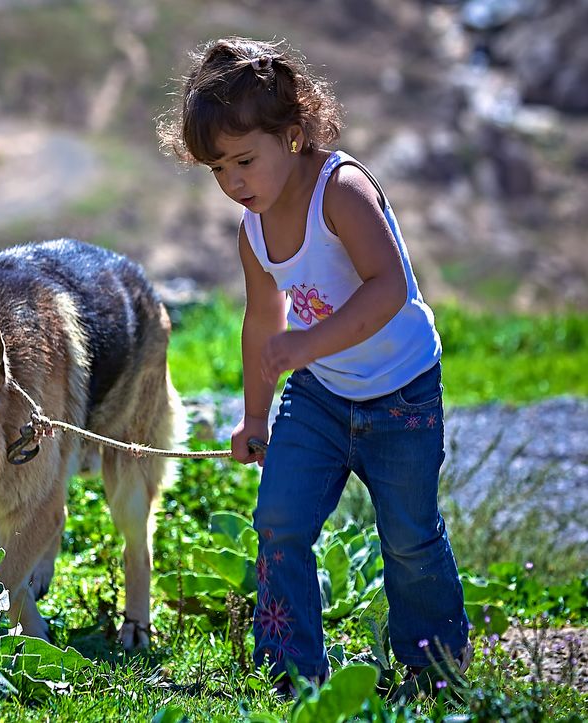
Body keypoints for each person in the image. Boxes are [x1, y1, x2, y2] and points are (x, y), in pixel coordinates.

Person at [157, 37, 471, 690]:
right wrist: (252, 415)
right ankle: (289, 674)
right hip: (320, 398)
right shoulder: (252, 229)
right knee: (278, 520)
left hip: (401, 395)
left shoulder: (342, 190)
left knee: (409, 539)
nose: (233, 182)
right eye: (218, 169)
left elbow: (387, 286)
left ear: (294, 136)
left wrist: (307, 344)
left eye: (244, 159)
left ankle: (432, 672)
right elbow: (261, 321)